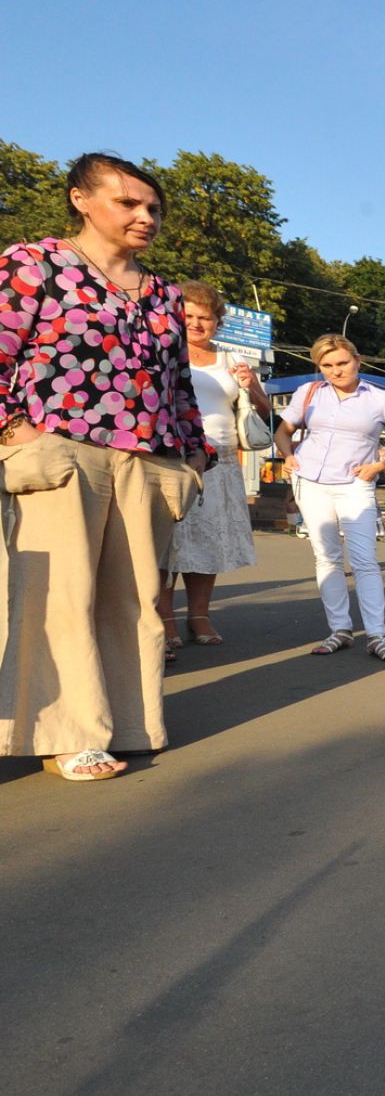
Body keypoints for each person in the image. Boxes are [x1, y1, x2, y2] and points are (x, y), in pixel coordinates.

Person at [0, 153, 208, 781]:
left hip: (148, 459)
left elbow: (179, 384)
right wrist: (14, 429)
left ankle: (128, 721)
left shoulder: (165, 293)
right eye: (128, 203)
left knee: (137, 600)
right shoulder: (34, 264)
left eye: (153, 207)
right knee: (62, 595)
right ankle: (68, 732)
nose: (146, 216)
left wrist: (195, 454)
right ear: (81, 200)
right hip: (63, 451)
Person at [275, 334, 385, 661]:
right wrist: (287, 456)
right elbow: (283, 431)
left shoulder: (381, 399)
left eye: (342, 363)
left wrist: (379, 466)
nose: (335, 371)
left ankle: (377, 635)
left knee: (365, 560)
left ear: (357, 360)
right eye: (326, 365)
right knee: (326, 557)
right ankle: (339, 630)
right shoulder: (308, 392)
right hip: (310, 481)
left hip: (355, 483)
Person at [159, 280, 270, 655]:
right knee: (166, 544)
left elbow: (266, 414)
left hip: (220, 460)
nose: (195, 323)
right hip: (173, 456)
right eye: (188, 315)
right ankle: (164, 618)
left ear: (217, 322)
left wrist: (252, 386)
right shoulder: (163, 351)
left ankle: (199, 615)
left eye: (204, 317)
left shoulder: (231, 361)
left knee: (207, 542)